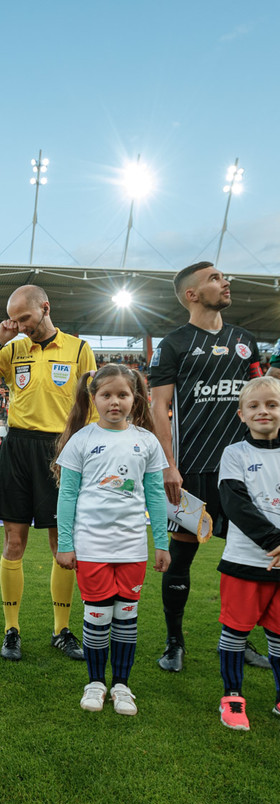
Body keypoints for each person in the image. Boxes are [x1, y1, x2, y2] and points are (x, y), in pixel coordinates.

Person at [0, 285, 96, 662]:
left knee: (61, 543)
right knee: (14, 542)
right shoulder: (15, 348)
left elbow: (94, 403)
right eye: (14, 319)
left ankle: (61, 629)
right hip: (18, 446)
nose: (20, 325)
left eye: (25, 318)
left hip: (61, 448)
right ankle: (11, 629)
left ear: (45, 309)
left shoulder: (79, 349)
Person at [149, 262, 264, 672]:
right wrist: (167, 465)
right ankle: (174, 643)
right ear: (192, 295)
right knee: (181, 559)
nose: (225, 282)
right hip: (192, 472)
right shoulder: (174, 344)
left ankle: (243, 639)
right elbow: (158, 407)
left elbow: (262, 396)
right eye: (215, 279)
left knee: (250, 558)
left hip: (243, 473)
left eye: (224, 276)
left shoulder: (245, 341)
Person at [54, 364, 170, 715]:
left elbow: (155, 496)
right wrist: (65, 542)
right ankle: (95, 682)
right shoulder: (82, 439)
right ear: (94, 399)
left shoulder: (146, 441)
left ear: (136, 399)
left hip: (132, 548)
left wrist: (161, 542)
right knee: (98, 615)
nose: (114, 402)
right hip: (92, 547)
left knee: (126, 617)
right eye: (106, 395)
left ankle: (121, 684)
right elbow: (67, 496)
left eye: (122, 395)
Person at [215, 377, 280, 730]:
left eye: (272, 404)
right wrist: (273, 541)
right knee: (235, 632)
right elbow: (234, 503)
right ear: (242, 414)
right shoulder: (235, 453)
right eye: (254, 406)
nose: (263, 411)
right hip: (244, 561)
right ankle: (232, 697)